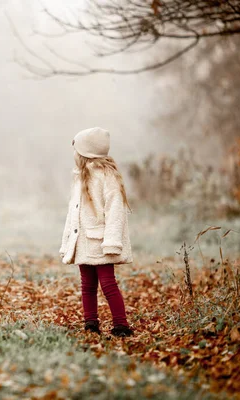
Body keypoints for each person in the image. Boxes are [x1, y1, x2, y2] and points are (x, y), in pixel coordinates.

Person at [59, 127, 134, 337]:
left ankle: (121, 324)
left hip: (100, 241)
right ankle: (90, 322)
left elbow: (115, 211)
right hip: (83, 241)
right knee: (87, 285)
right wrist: (68, 242)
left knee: (108, 284)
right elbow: (73, 214)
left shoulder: (106, 177)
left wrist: (111, 242)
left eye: (77, 151)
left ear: (85, 153)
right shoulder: (79, 177)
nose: (74, 155)